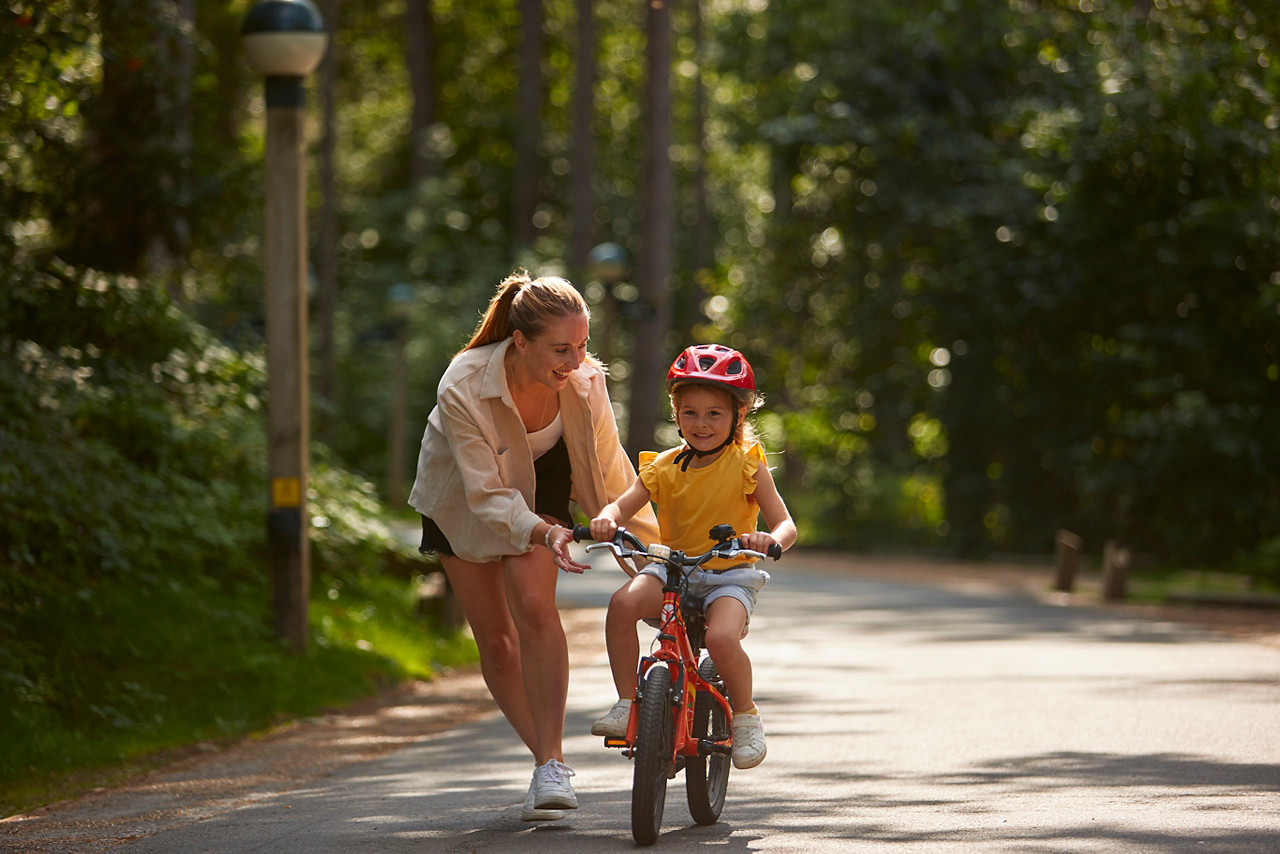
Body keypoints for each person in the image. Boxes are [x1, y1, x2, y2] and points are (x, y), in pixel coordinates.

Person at [407, 270, 658, 821]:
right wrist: (542, 532)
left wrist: (651, 550)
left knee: (536, 606)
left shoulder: (586, 382)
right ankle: (546, 757)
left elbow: (612, 468)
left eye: (584, 345)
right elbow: (485, 494)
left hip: (544, 483)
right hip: (462, 500)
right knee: (497, 644)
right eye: (561, 349)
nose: (576, 361)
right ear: (520, 341)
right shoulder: (463, 384)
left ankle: (550, 767)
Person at [587, 344, 797, 770]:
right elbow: (621, 505)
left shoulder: (747, 466)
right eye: (690, 413)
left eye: (714, 413)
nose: (701, 424)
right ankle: (628, 703)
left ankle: (745, 716)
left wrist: (768, 539)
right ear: (676, 414)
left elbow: (786, 525)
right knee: (621, 604)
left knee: (720, 639)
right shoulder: (663, 467)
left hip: (729, 574)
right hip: (673, 568)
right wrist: (606, 519)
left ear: (738, 415)